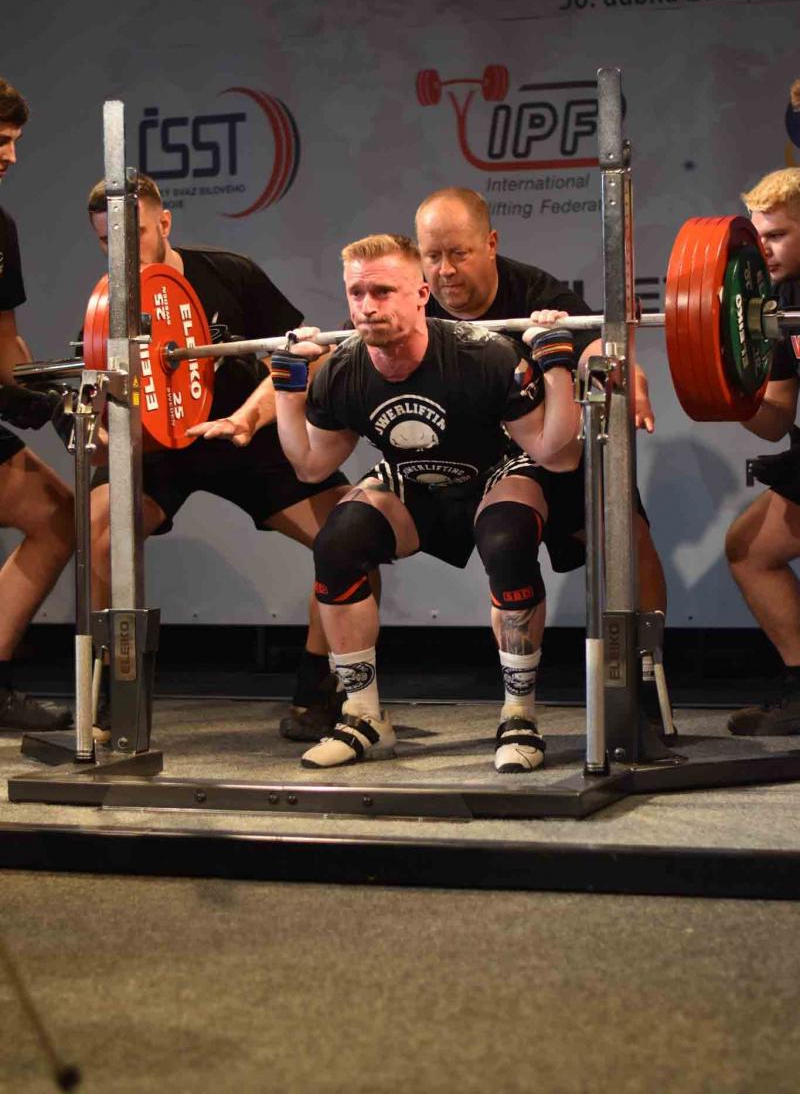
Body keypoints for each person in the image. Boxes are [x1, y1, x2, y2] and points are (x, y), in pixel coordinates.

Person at [273, 232, 582, 772]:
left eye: (383, 292)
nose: (367, 307)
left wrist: (556, 364)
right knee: (337, 544)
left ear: (422, 295)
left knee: (507, 541)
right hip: (412, 480)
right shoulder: (344, 370)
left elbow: (557, 456)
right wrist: (287, 388)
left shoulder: (483, 355)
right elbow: (311, 466)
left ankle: (519, 717)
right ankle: (363, 717)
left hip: (496, 474)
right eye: (356, 293)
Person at [86, 175, 350, 741]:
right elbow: (96, 409)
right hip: (162, 448)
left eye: (133, 235)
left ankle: (318, 691)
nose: (120, 253)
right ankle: (115, 691)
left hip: (246, 436)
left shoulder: (229, 273)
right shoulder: (106, 305)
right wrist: (108, 437)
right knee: (99, 533)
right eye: (107, 241)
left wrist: (248, 418)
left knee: (352, 537)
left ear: (165, 223)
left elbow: (304, 355)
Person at [414, 188, 669, 712]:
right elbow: (341, 354)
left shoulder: (533, 291)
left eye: (458, 253)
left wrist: (630, 377)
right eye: (432, 256)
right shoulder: (409, 301)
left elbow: (596, 345)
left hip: (545, 451)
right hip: (461, 458)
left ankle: (647, 677)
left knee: (628, 536)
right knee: (347, 537)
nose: (444, 271)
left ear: (490, 244)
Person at [0, 78, 74, 731]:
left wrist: (36, 392)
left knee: (58, 517)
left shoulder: (1, 229)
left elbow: (4, 340)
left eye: (16, 142)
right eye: (1, 140)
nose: (11, 156)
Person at [725, 167, 800, 736]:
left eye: (777, 235)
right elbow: (775, 419)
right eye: (759, 236)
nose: (764, 249)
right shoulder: (776, 304)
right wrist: (730, 385)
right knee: (750, 549)